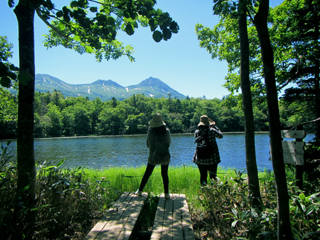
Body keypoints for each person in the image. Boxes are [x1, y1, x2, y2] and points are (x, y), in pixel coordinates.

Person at [135, 113, 171, 199]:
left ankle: (140, 191)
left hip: (153, 157)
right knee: (164, 174)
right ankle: (166, 194)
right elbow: (168, 143)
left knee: (147, 173)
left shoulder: (151, 132)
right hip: (165, 156)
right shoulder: (167, 132)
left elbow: (149, 145)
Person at [193, 115, 223, 185]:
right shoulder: (212, 130)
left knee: (203, 177)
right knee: (213, 177)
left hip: (200, 159)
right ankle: (213, 193)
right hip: (212, 159)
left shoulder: (197, 132)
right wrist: (215, 126)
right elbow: (221, 136)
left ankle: (204, 192)